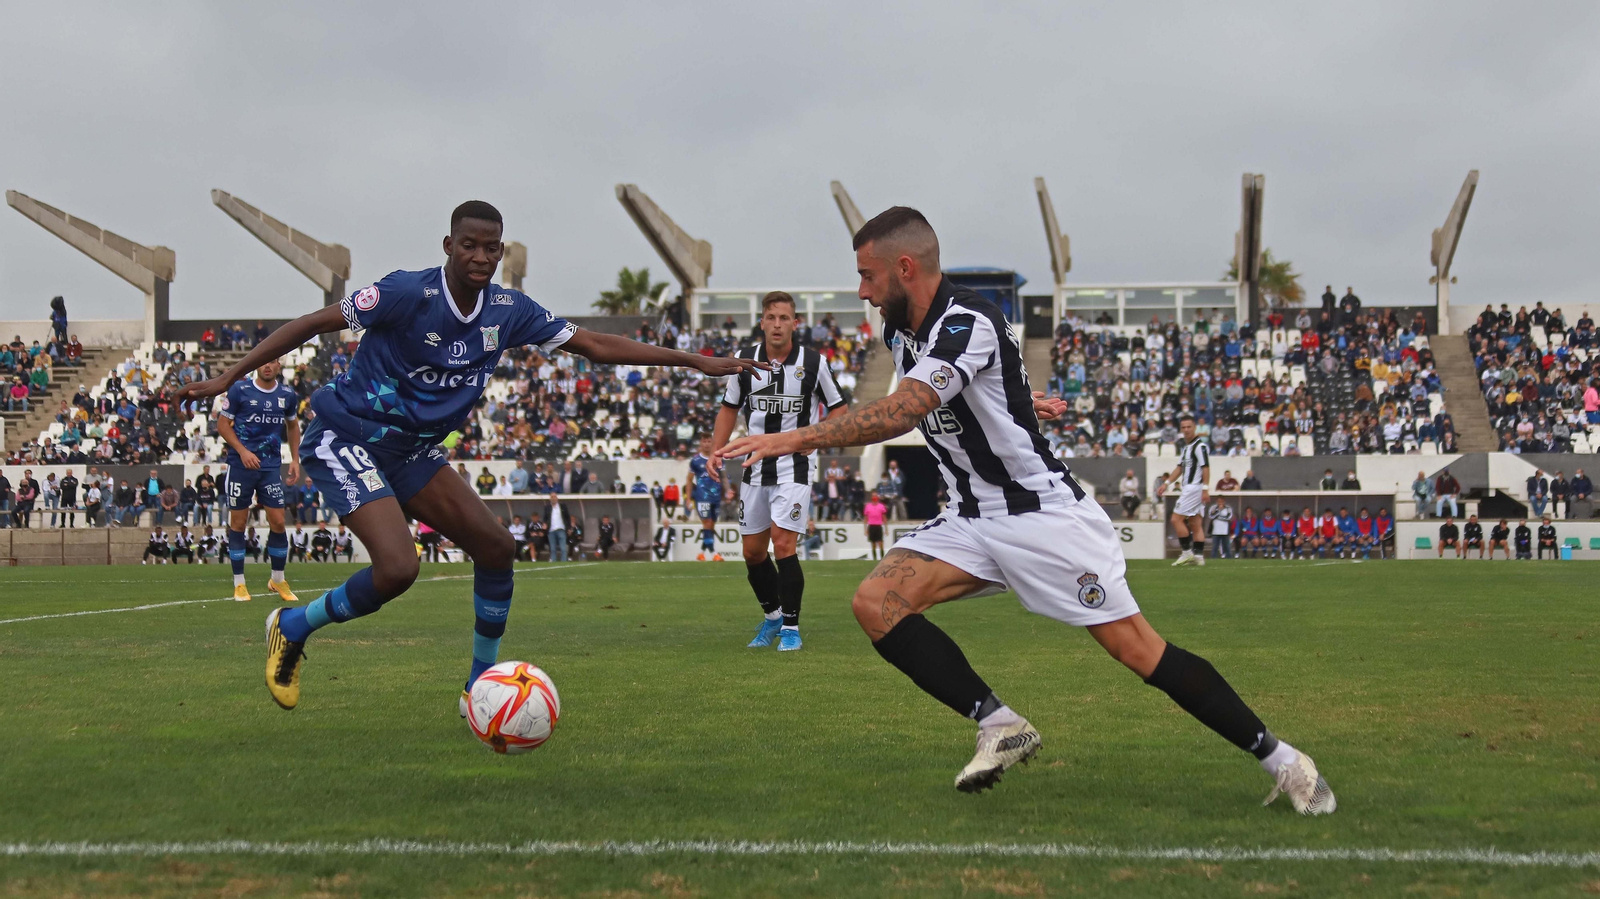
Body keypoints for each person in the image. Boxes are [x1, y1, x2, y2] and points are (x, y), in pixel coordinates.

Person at [717, 206, 1333, 811]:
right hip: (970, 516)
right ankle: (1000, 725)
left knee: (1139, 651)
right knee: (876, 602)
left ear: (905, 268)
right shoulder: (900, 330)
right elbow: (951, 392)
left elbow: (904, 409)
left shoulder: (968, 321)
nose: (862, 292)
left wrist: (792, 438)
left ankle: (1286, 761)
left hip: (1040, 515)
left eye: (868, 276)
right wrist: (1013, 397)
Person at [176, 199, 759, 714]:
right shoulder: (408, 292)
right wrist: (229, 376)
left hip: (412, 452)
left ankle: (480, 687)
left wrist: (692, 360)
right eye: (470, 246)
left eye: (491, 247)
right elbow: (313, 323)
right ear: (448, 246)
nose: (481, 257)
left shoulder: (509, 310)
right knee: (399, 569)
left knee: (497, 548)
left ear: (501, 251)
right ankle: (292, 625)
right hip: (348, 436)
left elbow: (595, 345)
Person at [711, 290, 847, 651]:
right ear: (762, 323)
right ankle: (772, 618)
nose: (777, 324)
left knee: (784, 544)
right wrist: (715, 452)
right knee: (753, 553)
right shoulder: (744, 362)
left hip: (795, 466)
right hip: (754, 467)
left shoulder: (813, 363)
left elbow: (839, 409)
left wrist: (815, 439)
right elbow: (728, 408)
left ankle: (791, 627)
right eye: (771, 318)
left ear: (795, 323)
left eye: (784, 318)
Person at [216, 357, 302, 603]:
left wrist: (294, 459)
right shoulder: (240, 389)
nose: (267, 366)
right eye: (264, 361)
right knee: (238, 524)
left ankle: (277, 579)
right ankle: (239, 583)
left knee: (278, 522)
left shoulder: (287, 395)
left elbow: (293, 426)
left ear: (278, 366)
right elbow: (222, 425)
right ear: (256, 365)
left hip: (270, 467)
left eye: (272, 362)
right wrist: (243, 451)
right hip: (240, 466)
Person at [1160, 414, 1210, 567]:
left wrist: (1205, 489)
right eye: (1184, 427)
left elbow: (1206, 468)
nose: (1186, 430)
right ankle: (1199, 557)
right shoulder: (1186, 447)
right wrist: (1166, 483)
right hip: (1191, 488)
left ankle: (1187, 552)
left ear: (1194, 428)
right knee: (1195, 523)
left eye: (1189, 427)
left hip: (1193, 488)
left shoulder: (1200, 447)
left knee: (1176, 519)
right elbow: (1179, 468)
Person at [687, 437, 724, 561]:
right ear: (701, 443)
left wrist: (726, 491)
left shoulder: (717, 458)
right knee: (707, 523)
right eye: (704, 441)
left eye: (709, 441)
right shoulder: (695, 461)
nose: (707, 444)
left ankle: (702, 553)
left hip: (715, 497)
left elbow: (723, 476)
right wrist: (688, 499)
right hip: (702, 497)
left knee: (711, 525)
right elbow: (689, 480)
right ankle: (714, 554)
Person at [542, 490, 573, 562]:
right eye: (552, 497)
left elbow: (567, 518)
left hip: (561, 529)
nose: (553, 498)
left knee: (563, 548)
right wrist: (545, 524)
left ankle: (563, 562)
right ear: (550, 498)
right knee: (552, 549)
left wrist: (569, 528)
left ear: (557, 498)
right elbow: (545, 518)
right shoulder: (547, 507)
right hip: (551, 530)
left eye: (554, 496)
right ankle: (554, 561)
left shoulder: (562, 506)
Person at [863, 492, 888, 560]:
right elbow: (865, 519)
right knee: (873, 544)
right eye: (873, 496)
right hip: (871, 526)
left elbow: (884, 518)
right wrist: (865, 529)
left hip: (878, 526)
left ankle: (882, 558)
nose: (874, 497)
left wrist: (886, 529)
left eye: (875, 496)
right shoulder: (868, 506)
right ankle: (874, 559)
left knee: (880, 543)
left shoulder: (881, 506)